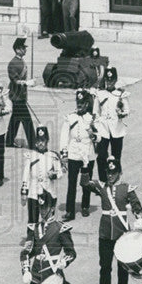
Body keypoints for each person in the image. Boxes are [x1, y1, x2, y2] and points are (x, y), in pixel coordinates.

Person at [85, 158, 142, 284]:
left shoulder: (126, 188)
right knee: (105, 268)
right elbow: (84, 183)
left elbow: (137, 208)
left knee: (123, 267)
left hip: (121, 234)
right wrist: (85, 165)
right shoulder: (102, 186)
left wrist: (141, 220)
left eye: (113, 173)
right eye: (108, 173)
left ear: (119, 173)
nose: (110, 176)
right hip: (105, 234)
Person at [59, 89, 96, 221]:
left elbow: (100, 138)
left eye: (82, 102)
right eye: (78, 102)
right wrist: (64, 152)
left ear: (87, 104)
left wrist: (94, 135)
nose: (79, 105)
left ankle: (85, 206)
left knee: (86, 182)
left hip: (87, 154)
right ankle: (70, 210)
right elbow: (64, 136)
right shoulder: (70, 117)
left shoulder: (92, 118)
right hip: (74, 153)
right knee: (72, 183)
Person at [20, 126, 64, 228]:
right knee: (32, 219)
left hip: (49, 190)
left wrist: (54, 175)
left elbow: (60, 172)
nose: (40, 143)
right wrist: (24, 192)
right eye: (38, 141)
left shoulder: (53, 156)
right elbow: (25, 175)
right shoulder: (31, 156)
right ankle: (31, 239)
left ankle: (49, 240)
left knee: (49, 219)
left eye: (43, 141)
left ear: (47, 142)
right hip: (33, 192)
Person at [92, 66, 129, 173]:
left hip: (117, 129)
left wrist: (122, 113)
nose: (109, 83)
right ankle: (103, 179)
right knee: (101, 156)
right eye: (107, 80)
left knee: (116, 157)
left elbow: (127, 110)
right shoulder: (100, 94)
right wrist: (97, 126)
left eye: (112, 80)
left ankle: (115, 180)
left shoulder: (120, 95)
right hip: (103, 130)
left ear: (116, 80)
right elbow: (95, 112)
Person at [5, 37, 36, 149]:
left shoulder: (20, 61)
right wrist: (27, 83)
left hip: (21, 96)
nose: (25, 50)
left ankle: (8, 141)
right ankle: (34, 144)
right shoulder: (13, 63)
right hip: (16, 96)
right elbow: (15, 80)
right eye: (23, 48)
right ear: (17, 50)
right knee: (27, 121)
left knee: (16, 119)